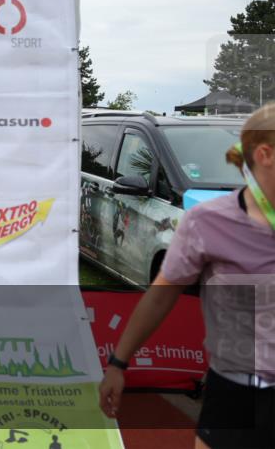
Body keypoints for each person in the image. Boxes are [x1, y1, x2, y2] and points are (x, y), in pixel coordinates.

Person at [98, 103, 275, 449]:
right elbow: (161, 295)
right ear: (265, 154)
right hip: (235, 390)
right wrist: (119, 363)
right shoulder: (206, 221)